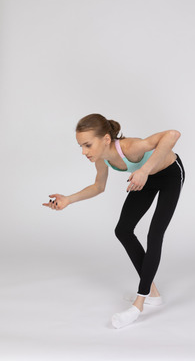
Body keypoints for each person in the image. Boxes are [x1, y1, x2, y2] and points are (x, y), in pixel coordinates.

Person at [42, 113, 185, 328]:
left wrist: (144, 170)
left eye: (88, 145)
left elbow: (173, 135)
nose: (84, 152)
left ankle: (139, 304)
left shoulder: (131, 147)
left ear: (106, 139)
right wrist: (68, 200)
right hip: (145, 177)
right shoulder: (102, 158)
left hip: (170, 175)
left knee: (154, 234)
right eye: (81, 146)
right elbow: (99, 187)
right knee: (123, 230)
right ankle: (153, 293)